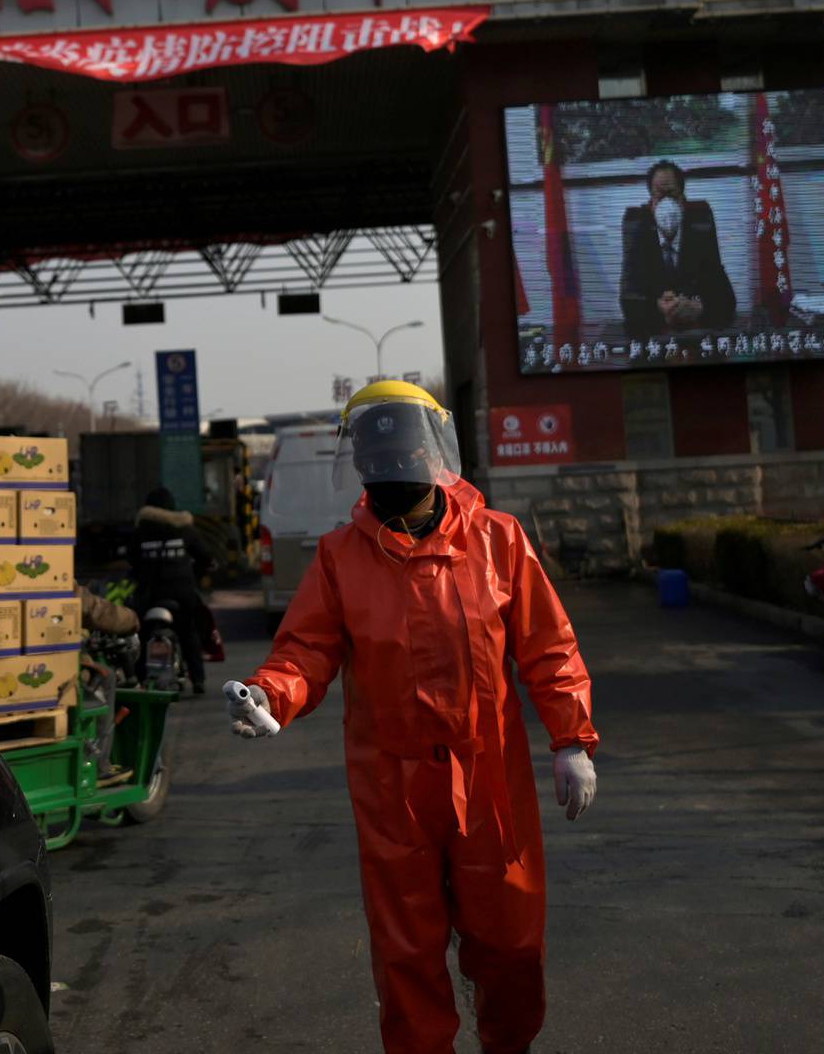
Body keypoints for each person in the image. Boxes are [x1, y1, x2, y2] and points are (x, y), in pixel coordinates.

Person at [225, 382, 598, 1054]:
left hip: (489, 781)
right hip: (392, 787)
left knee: (512, 943)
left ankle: (508, 1044)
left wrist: (572, 739)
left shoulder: (498, 541)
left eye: (401, 457)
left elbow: (549, 646)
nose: (391, 474)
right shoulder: (342, 558)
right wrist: (270, 696)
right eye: (378, 461)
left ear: (433, 458)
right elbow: (306, 650)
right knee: (407, 956)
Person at [618, 159, 735, 341]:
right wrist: (658, 306)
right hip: (655, 338)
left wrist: (699, 307)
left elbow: (726, 301)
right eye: (659, 196)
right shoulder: (638, 233)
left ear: (683, 200)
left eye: (672, 195)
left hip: (696, 337)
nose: (667, 204)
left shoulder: (700, 233)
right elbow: (628, 303)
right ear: (651, 204)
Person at [132, 486, 212, 694]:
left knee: (142, 634)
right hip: (182, 593)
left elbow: (132, 561)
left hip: (150, 595)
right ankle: (198, 679)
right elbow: (205, 557)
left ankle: (138, 678)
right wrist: (195, 574)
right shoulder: (186, 529)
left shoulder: (140, 531)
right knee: (188, 632)